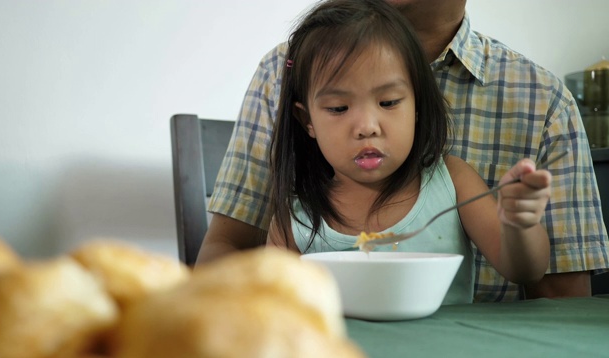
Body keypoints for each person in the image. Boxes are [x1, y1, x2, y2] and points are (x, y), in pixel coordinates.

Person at [201, 0, 609, 302]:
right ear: (307, 121)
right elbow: (276, 303)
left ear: (420, 105)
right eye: (338, 109)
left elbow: (529, 270)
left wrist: (520, 223)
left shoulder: (453, 178)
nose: (367, 126)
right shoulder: (295, 214)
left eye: (390, 103)